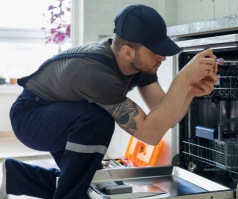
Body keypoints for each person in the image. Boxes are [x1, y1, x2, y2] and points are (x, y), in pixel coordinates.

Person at [0, 4, 219, 199]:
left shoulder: (139, 64)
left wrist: (188, 91)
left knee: (84, 179)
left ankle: (16, 176)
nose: (162, 57)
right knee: (98, 121)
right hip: (30, 118)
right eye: (155, 51)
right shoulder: (98, 74)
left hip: (63, 114)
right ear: (127, 51)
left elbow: (164, 118)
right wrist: (181, 79)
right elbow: (149, 134)